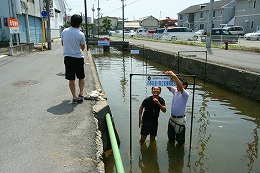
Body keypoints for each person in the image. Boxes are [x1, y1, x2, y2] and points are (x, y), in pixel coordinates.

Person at [61, 14, 86, 104]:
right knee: (81, 77)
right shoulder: (81, 34)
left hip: (68, 58)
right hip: (78, 58)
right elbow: (83, 48)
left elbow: (63, 44)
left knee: (71, 79)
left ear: (71, 22)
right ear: (80, 23)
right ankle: (81, 93)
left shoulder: (64, 31)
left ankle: (74, 97)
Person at [165, 71, 189, 144]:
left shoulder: (185, 94)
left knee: (180, 141)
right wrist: (166, 76)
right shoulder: (175, 91)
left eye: (179, 83)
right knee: (170, 139)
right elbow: (168, 85)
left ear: (184, 85)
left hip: (180, 120)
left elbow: (180, 87)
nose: (176, 84)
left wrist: (174, 76)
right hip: (172, 118)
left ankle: (179, 154)